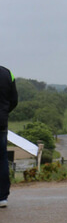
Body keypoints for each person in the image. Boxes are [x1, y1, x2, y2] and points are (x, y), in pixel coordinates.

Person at [0, 65, 19, 207]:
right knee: (2, 159)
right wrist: (5, 112)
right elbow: (14, 100)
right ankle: (2, 197)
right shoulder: (7, 73)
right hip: (1, 123)